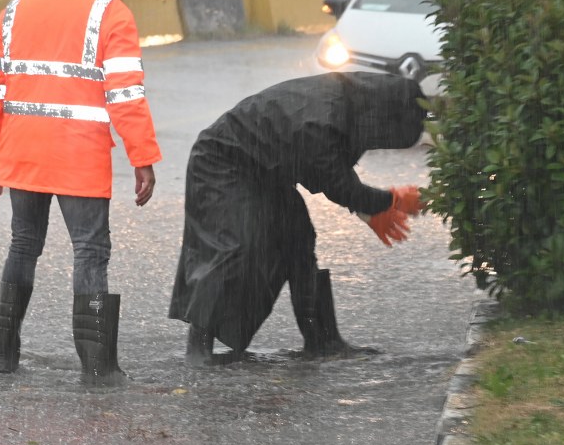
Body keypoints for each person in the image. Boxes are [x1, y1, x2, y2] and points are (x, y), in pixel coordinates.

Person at [0, 0, 161, 385]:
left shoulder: (17, 8)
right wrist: (142, 157)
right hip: (78, 158)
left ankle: (4, 354)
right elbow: (125, 94)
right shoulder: (110, 13)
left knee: (23, 244)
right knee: (90, 252)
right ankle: (97, 367)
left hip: (23, 153)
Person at [169, 72, 428, 365]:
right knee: (237, 247)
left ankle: (323, 340)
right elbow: (337, 182)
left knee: (298, 238)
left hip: (265, 169)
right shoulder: (322, 119)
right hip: (222, 162)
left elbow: (329, 169)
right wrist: (390, 200)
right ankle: (198, 347)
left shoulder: (351, 103)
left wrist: (368, 210)